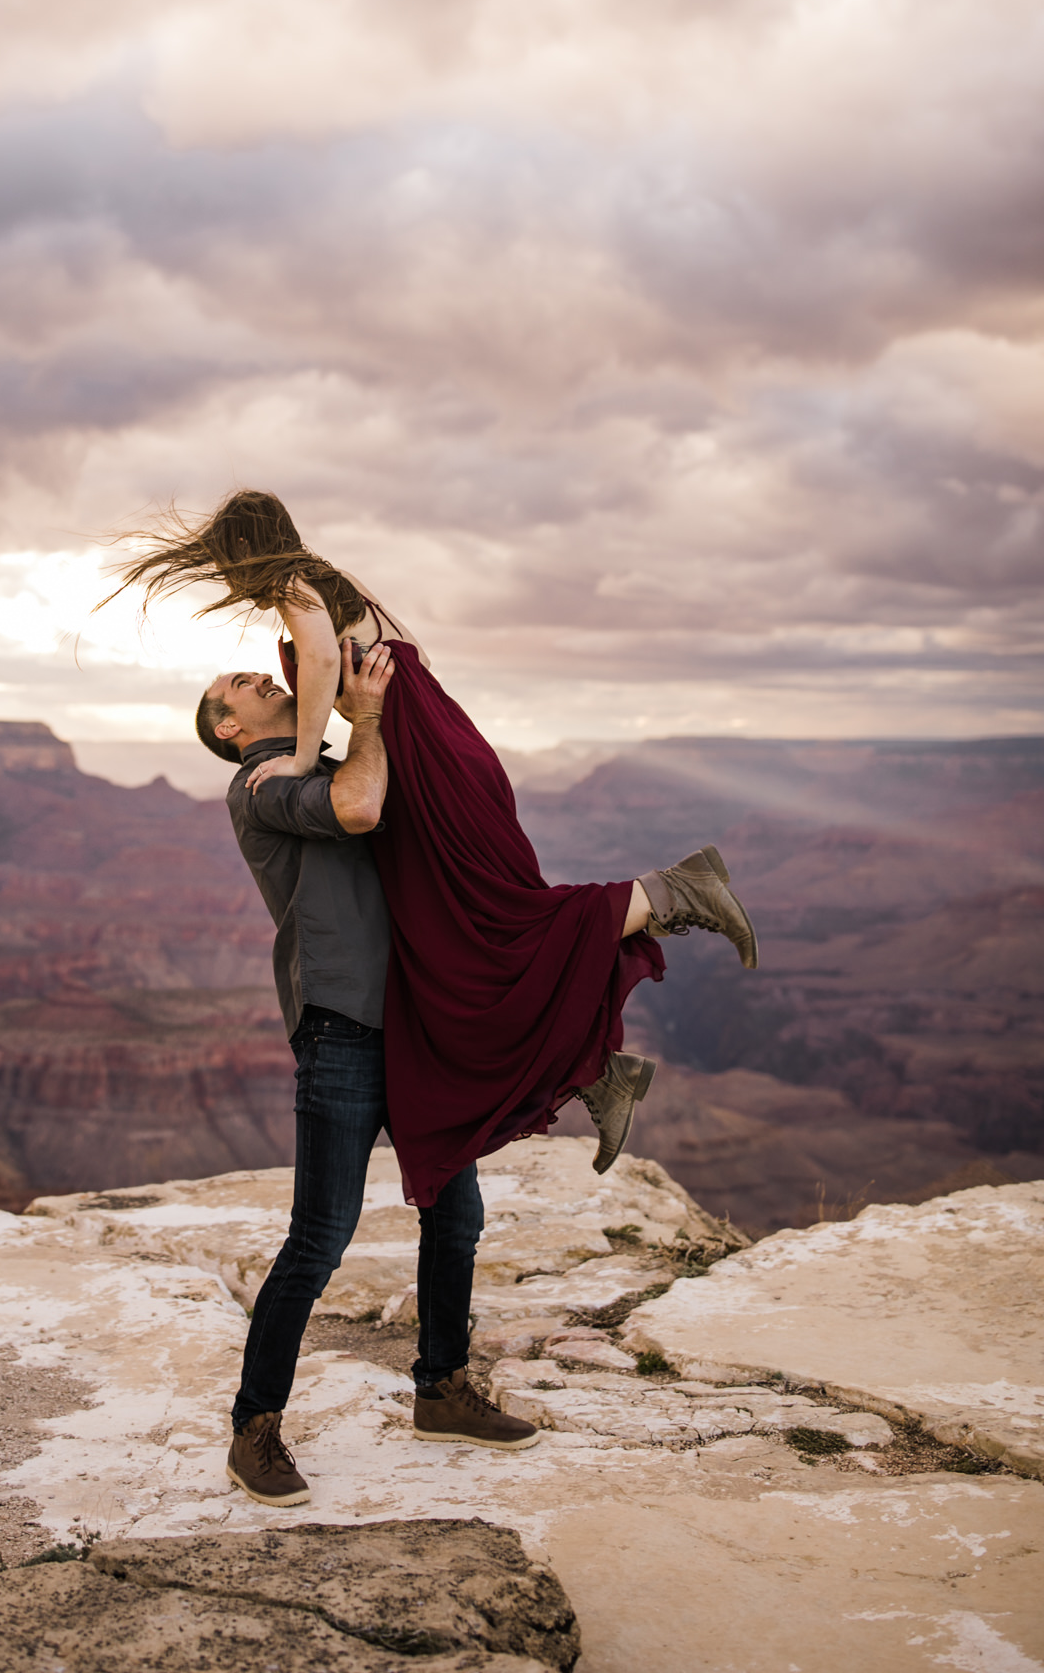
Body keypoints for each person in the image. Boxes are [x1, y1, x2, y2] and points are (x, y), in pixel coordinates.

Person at [106, 489, 758, 1214]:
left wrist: (300, 758)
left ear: (242, 551)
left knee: (494, 916)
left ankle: (677, 890)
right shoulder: (334, 585)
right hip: (434, 747)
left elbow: (322, 659)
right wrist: (372, 726)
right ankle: (593, 1074)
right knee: (452, 943)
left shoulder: (295, 584)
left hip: (423, 756)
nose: (231, 584)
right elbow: (409, 658)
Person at [204, 640, 538, 1508]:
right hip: (342, 1029)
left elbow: (386, 793)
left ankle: (441, 1391)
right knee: (319, 1237)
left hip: (412, 1025)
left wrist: (367, 718)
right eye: (233, 686)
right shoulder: (263, 784)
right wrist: (374, 718)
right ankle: (254, 1429)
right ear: (230, 727)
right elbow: (355, 807)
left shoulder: (314, 757)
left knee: (455, 1214)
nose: (251, 675)